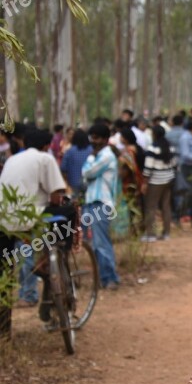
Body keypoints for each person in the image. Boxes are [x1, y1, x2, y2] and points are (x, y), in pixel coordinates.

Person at [0, 129, 68, 311]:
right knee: (27, 254)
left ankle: (5, 304)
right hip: (28, 216)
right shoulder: (45, 158)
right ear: (46, 146)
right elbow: (56, 194)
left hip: (4, 215)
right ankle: (29, 294)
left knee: (7, 262)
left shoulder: (12, 159)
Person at [82, 124, 121, 290]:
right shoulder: (98, 156)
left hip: (101, 203)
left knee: (101, 243)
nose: (93, 141)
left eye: (96, 138)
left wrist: (90, 159)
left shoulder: (106, 157)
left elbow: (88, 173)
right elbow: (85, 176)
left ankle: (110, 278)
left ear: (105, 140)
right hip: (92, 201)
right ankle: (102, 278)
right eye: (92, 137)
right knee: (94, 243)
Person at [141, 125, 176, 242]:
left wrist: (145, 181)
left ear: (154, 134)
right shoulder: (170, 146)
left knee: (151, 206)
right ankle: (166, 233)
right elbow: (174, 163)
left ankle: (151, 234)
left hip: (156, 180)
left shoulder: (153, 148)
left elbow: (148, 167)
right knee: (166, 206)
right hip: (168, 178)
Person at [60, 129, 93, 194]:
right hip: (89, 183)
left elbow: (63, 168)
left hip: (73, 183)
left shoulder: (69, 151)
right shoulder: (92, 150)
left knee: (75, 202)